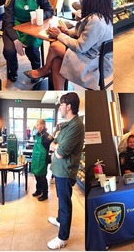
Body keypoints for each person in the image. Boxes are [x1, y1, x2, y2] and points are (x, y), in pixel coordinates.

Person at [24, 0, 113, 90]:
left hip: (95, 64)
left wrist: (59, 35)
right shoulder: (102, 13)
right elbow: (84, 34)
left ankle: (45, 70)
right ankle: (59, 94)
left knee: (55, 46)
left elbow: (81, 46)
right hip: (93, 54)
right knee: (56, 61)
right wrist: (66, 31)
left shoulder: (96, 21)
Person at [2, 0, 53, 82]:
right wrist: (15, 40)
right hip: (13, 27)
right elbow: (8, 21)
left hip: (31, 28)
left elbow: (50, 10)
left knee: (33, 51)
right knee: (9, 51)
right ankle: (13, 70)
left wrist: (41, 16)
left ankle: (36, 71)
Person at [47, 92, 85, 249]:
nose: (59, 108)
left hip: (65, 171)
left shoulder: (76, 126)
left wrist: (56, 148)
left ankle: (63, 237)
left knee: (65, 203)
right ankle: (60, 219)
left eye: (61, 105)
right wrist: (56, 147)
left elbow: (61, 153)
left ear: (69, 107)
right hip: (58, 169)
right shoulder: (66, 125)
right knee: (60, 200)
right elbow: (53, 143)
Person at [32, 119, 54, 201]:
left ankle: (45, 194)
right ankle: (38, 190)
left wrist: (51, 151)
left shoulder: (46, 136)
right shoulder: (37, 134)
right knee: (36, 176)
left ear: (43, 126)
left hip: (42, 160)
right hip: (35, 159)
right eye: (36, 125)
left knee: (42, 177)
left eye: (38, 125)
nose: (37, 127)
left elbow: (53, 142)